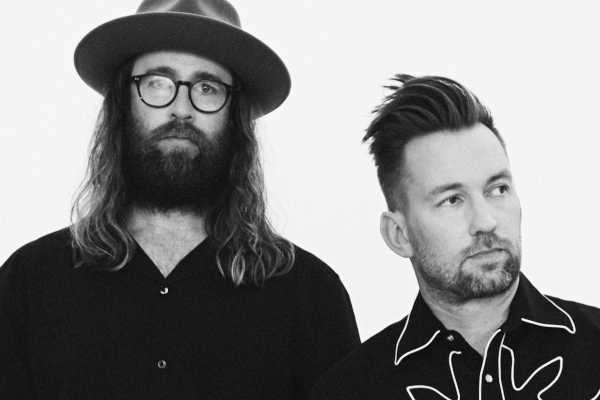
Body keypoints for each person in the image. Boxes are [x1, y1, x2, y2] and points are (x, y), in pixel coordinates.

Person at [0, 0, 360, 398]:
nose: (181, 109)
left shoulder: (310, 295)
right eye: (158, 82)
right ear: (122, 103)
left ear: (235, 117)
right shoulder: (29, 283)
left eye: (207, 88)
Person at [311, 75, 600, 399]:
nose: (486, 221)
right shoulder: (350, 390)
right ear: (399, 235)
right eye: (452, 200)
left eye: (498, 189)